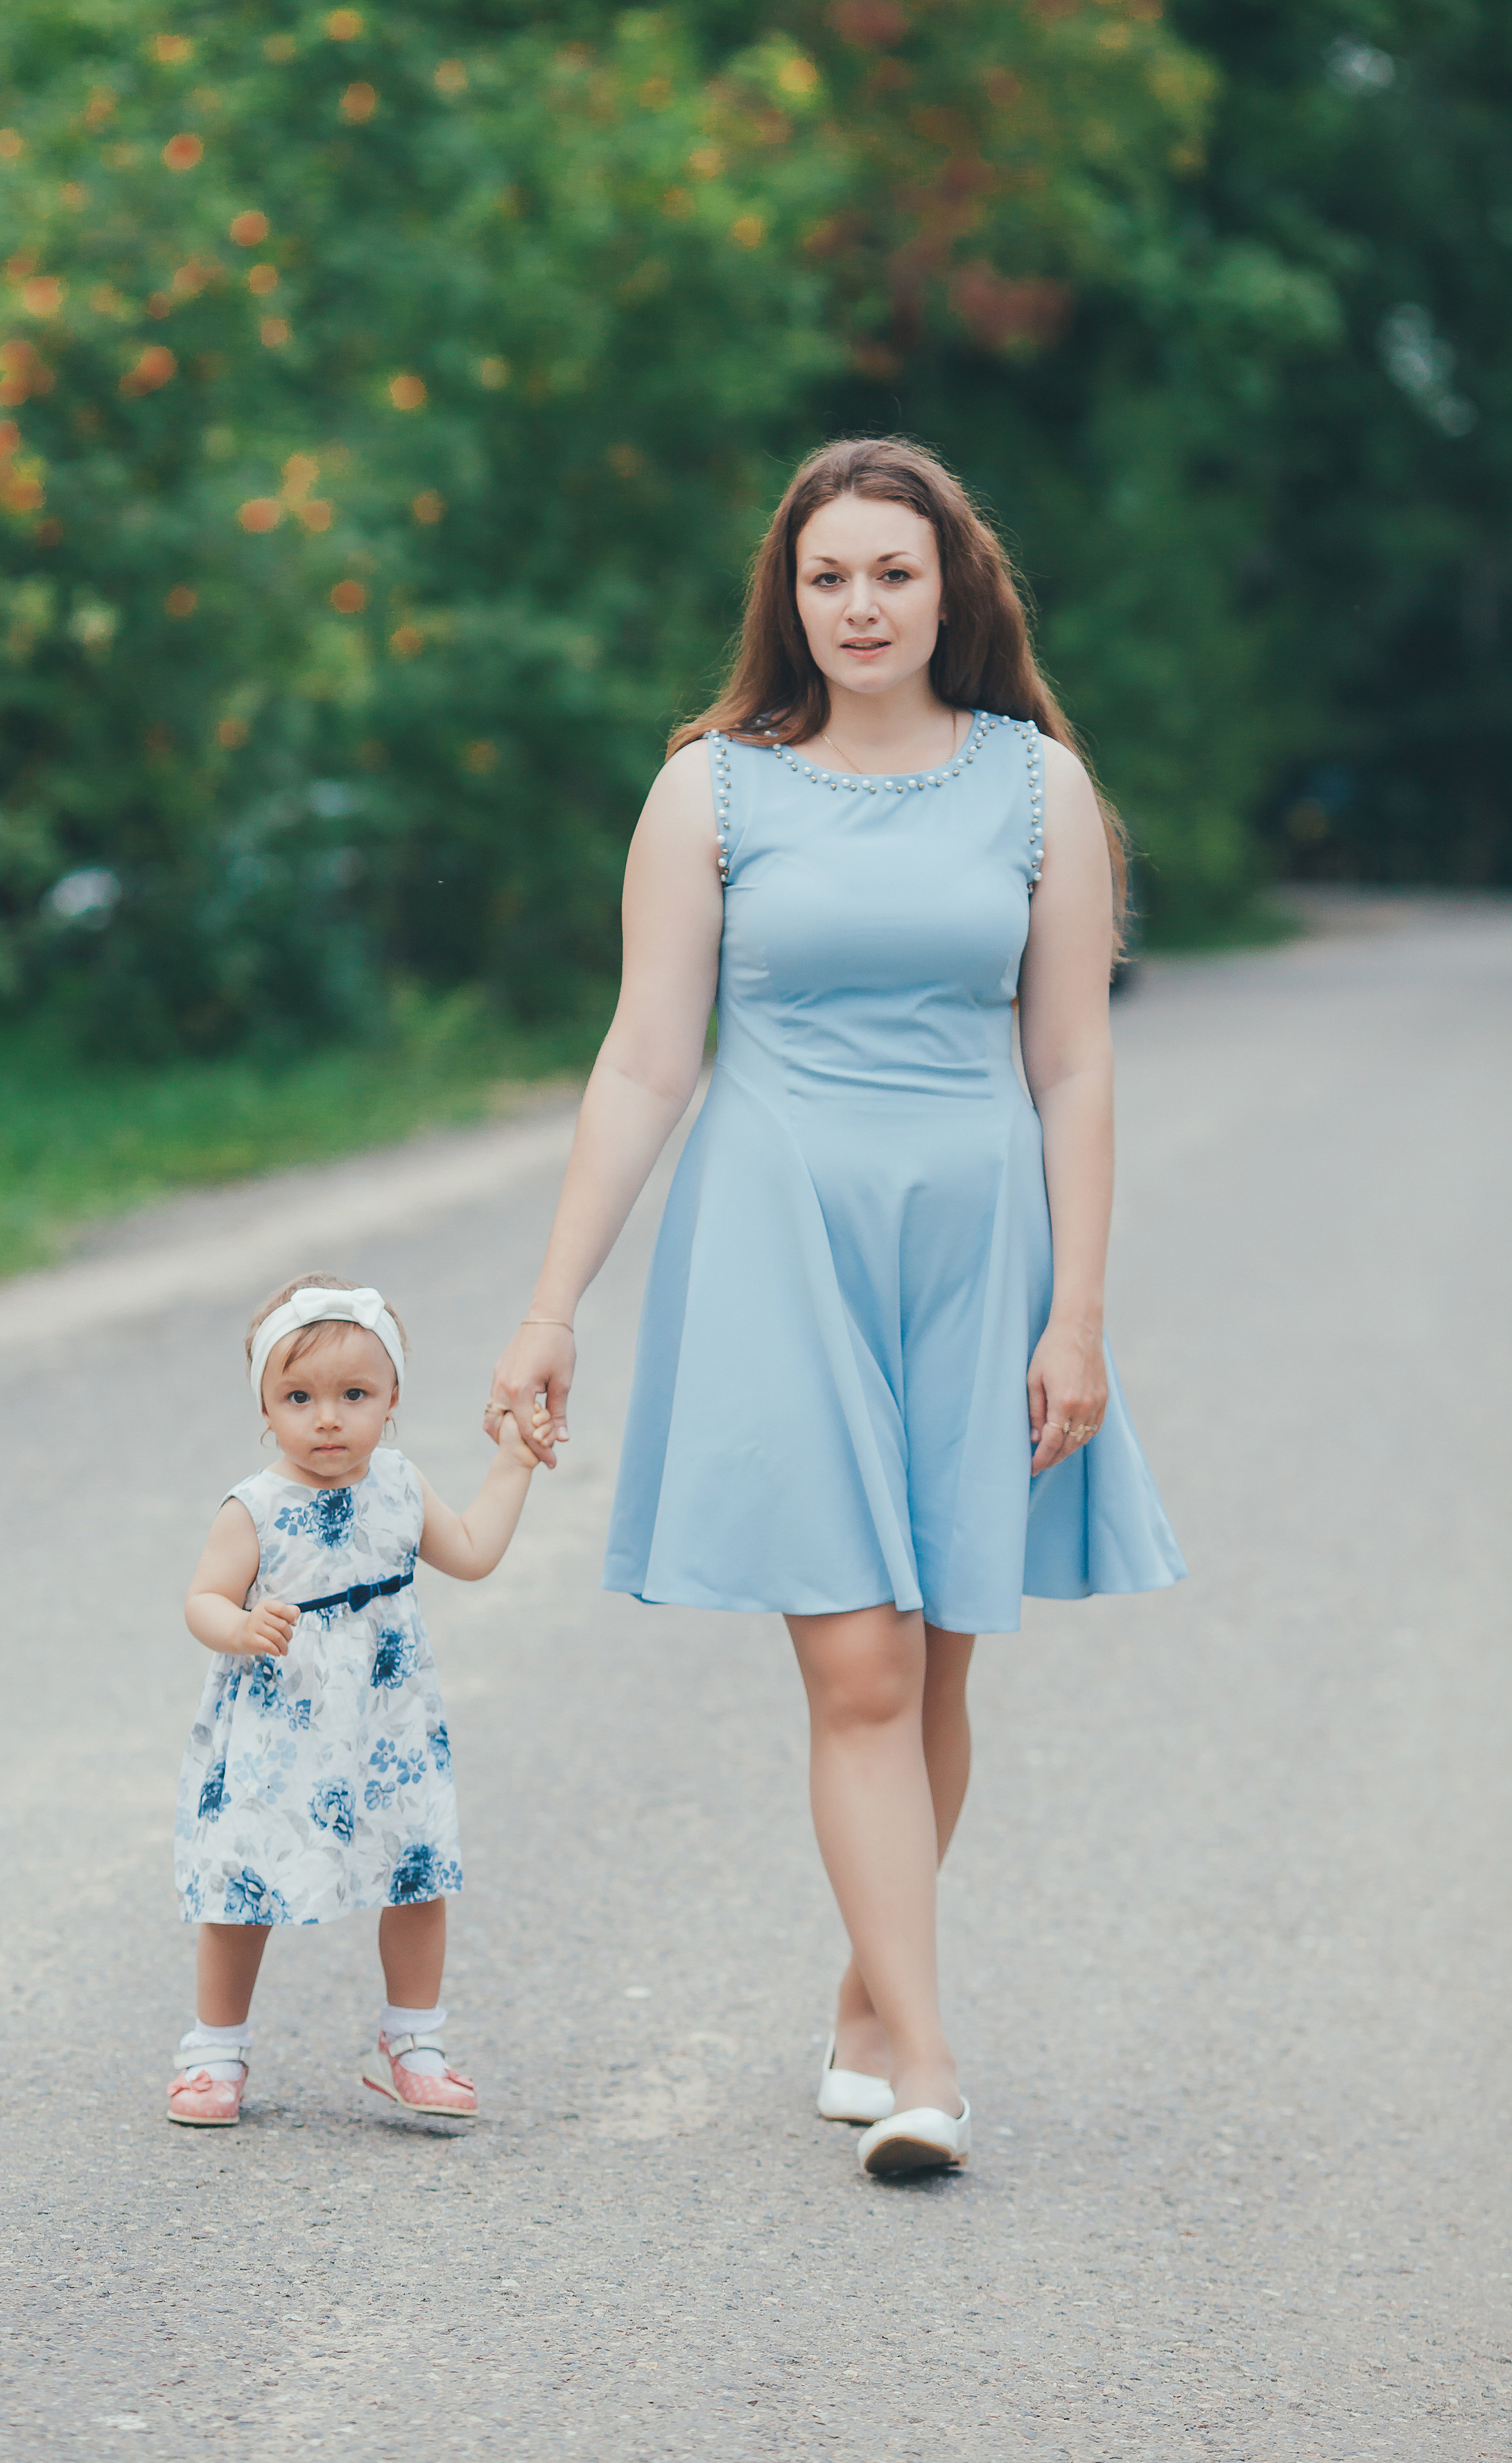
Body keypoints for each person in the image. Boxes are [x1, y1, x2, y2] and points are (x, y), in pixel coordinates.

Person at [485, 437, 1186, 2179]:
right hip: (775, 1234)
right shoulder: (710, 790)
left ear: (949, 590)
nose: (858, 605)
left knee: (936, 1654)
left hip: (973, 1245)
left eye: (890, 572)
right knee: (859, 1663)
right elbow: (646, 1061)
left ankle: (871, 2004)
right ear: (784, 600)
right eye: (826, 577)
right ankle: (930, 2068)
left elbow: (1073, 1064)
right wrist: (551, 1304)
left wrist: (1076, 1313)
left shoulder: (1036, 787)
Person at [168, 1272, 545, 2129]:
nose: (327, 1418)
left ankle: (413, 2043)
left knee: (414, 1871)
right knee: (246, 1886)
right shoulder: (256, 1508)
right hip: (281, 1728)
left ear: (392, 1399)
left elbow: (473, 1551)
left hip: (387, 1727)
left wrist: (514, 1462)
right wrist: (240, 1626)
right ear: (266, 1408)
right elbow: (202, 1599)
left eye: (354, 1395)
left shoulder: (401, 1487)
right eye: (298, 1397)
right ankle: (214, 2050)